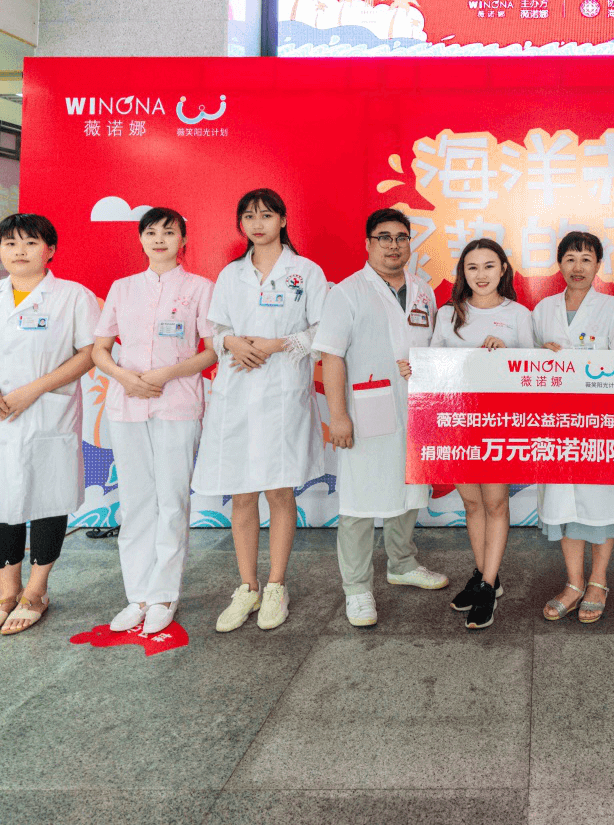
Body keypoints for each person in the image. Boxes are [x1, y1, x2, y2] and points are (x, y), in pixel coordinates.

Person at [0, 213, 99, 636]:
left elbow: (89, 353)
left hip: (45, 411)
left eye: (30, 243)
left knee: (47, 496)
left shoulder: (72, 296)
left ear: (50, 250)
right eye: (9, 243)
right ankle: (6, 594)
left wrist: (34, 389)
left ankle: (36, 592)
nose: (19, 251)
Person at [192, 188, 327, 633]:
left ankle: (275, 586)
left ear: (283, 220)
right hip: (236, 390)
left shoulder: (305, 272)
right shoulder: (231, 274)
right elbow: (216, 331)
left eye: (266, 215)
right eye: (249, 216)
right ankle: (247, 586)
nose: (257, 224)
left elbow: (322, 330)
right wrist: (232, 342)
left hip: (282, 392)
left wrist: (276, 345)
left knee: (279, 490)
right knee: (242, 493)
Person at [317, 207, 448, 629]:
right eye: (384, 237)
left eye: (401, 237)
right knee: (358, 502)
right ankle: (357, 588)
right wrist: (338, 416)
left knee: (408, 489)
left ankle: (402, 563)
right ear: (368, 243)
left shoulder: (423, 291)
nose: (394, 245)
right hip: (366, 409)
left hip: (417, 408)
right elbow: (332, 356)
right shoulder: (347, 292)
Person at [92, 207, 217, 635]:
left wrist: (166, 374)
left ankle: (164, 594)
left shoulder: (200, 288)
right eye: (151, 232)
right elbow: (100, 349)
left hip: (177, 403)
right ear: (140, 239)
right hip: (127, 404)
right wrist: (124, 377)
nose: (159, 239)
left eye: (169, 232)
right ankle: (138, 595)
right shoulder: (123, 288)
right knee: (135, 502)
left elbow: (211, 350)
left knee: (172, 500)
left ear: (183, 240)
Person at [428, 238, 535, 629]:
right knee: (472, 505)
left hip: (499, 423)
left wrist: (507, 352)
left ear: (503, 269)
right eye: (472, 267)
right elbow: (433, 364)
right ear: (463, 273)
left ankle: (487, 587)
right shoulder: (448, 314)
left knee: (496, 504)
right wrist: (414, 369)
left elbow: (533, 370)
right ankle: (485, 575)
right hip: (456, 422)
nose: (481, 275)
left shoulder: (518, 314)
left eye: (489, 266)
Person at [533, 231, 614, 624]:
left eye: (587, 259)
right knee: (564, 503)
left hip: (599, 422)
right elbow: (525, 365)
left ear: (598, 265)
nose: (578, 267)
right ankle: (574, 583)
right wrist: (539, 355)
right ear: (559, 264)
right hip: (557, 422)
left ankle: (598, 581)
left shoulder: (613, 309)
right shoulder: (543, 310)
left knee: (601, 501)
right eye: (570, 259)